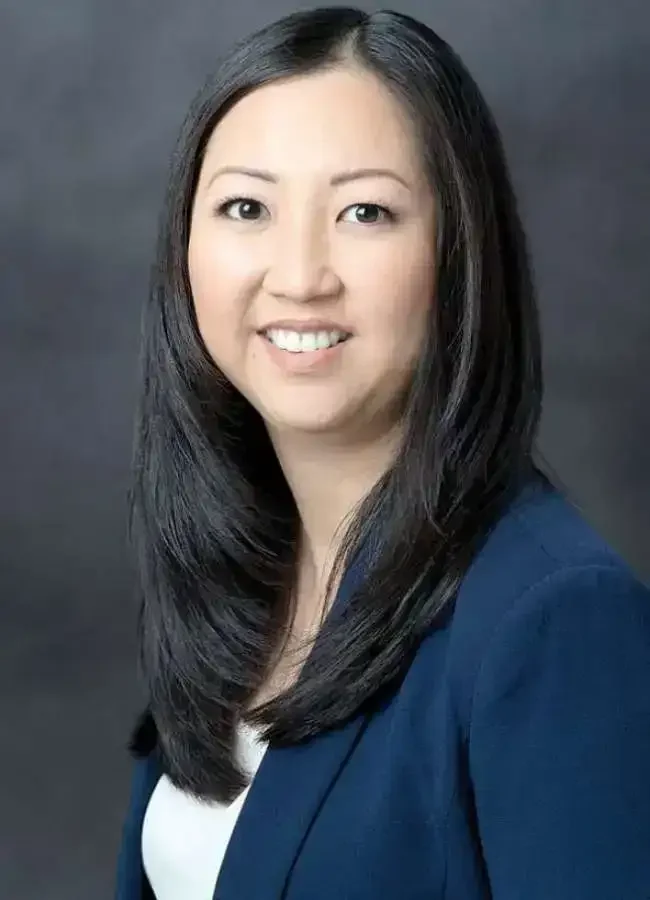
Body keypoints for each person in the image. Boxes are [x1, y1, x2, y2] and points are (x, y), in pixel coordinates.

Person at [114, 7, 650, 899]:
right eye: (247, 207)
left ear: (458, 251)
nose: (300, 274)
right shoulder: (236, 582)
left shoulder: (557, 623)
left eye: (366, 211)